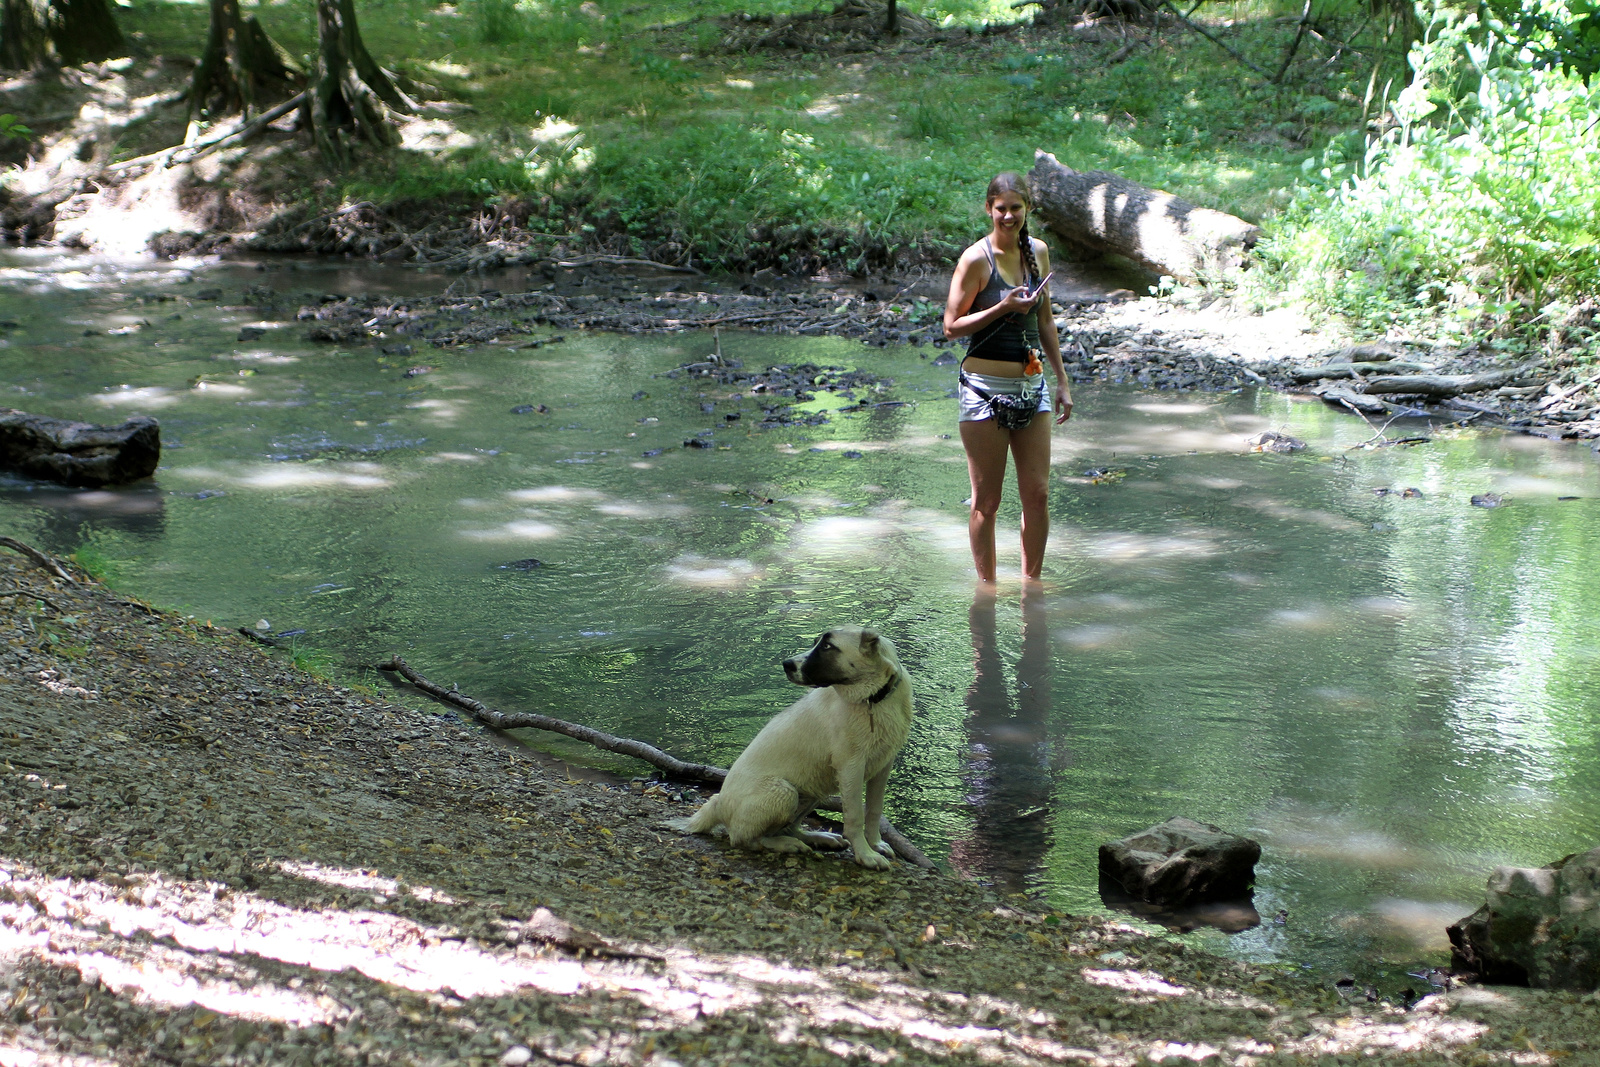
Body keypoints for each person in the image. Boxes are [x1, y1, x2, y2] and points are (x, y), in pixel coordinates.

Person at [943, 172, 1072, 583]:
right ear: (989, 209)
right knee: (987, 501)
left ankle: (1031, 589)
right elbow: (951, 327)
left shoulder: (1039, 252)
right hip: (983, 389)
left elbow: (1047, 321)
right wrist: (1002, 308)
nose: (1009, 216)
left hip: (1033, 388)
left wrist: (1063, 382)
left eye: (1017, 208)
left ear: (1027, 209)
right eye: (1001, 209)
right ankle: (988, 591)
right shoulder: (975, 259)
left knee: (1038, 494)